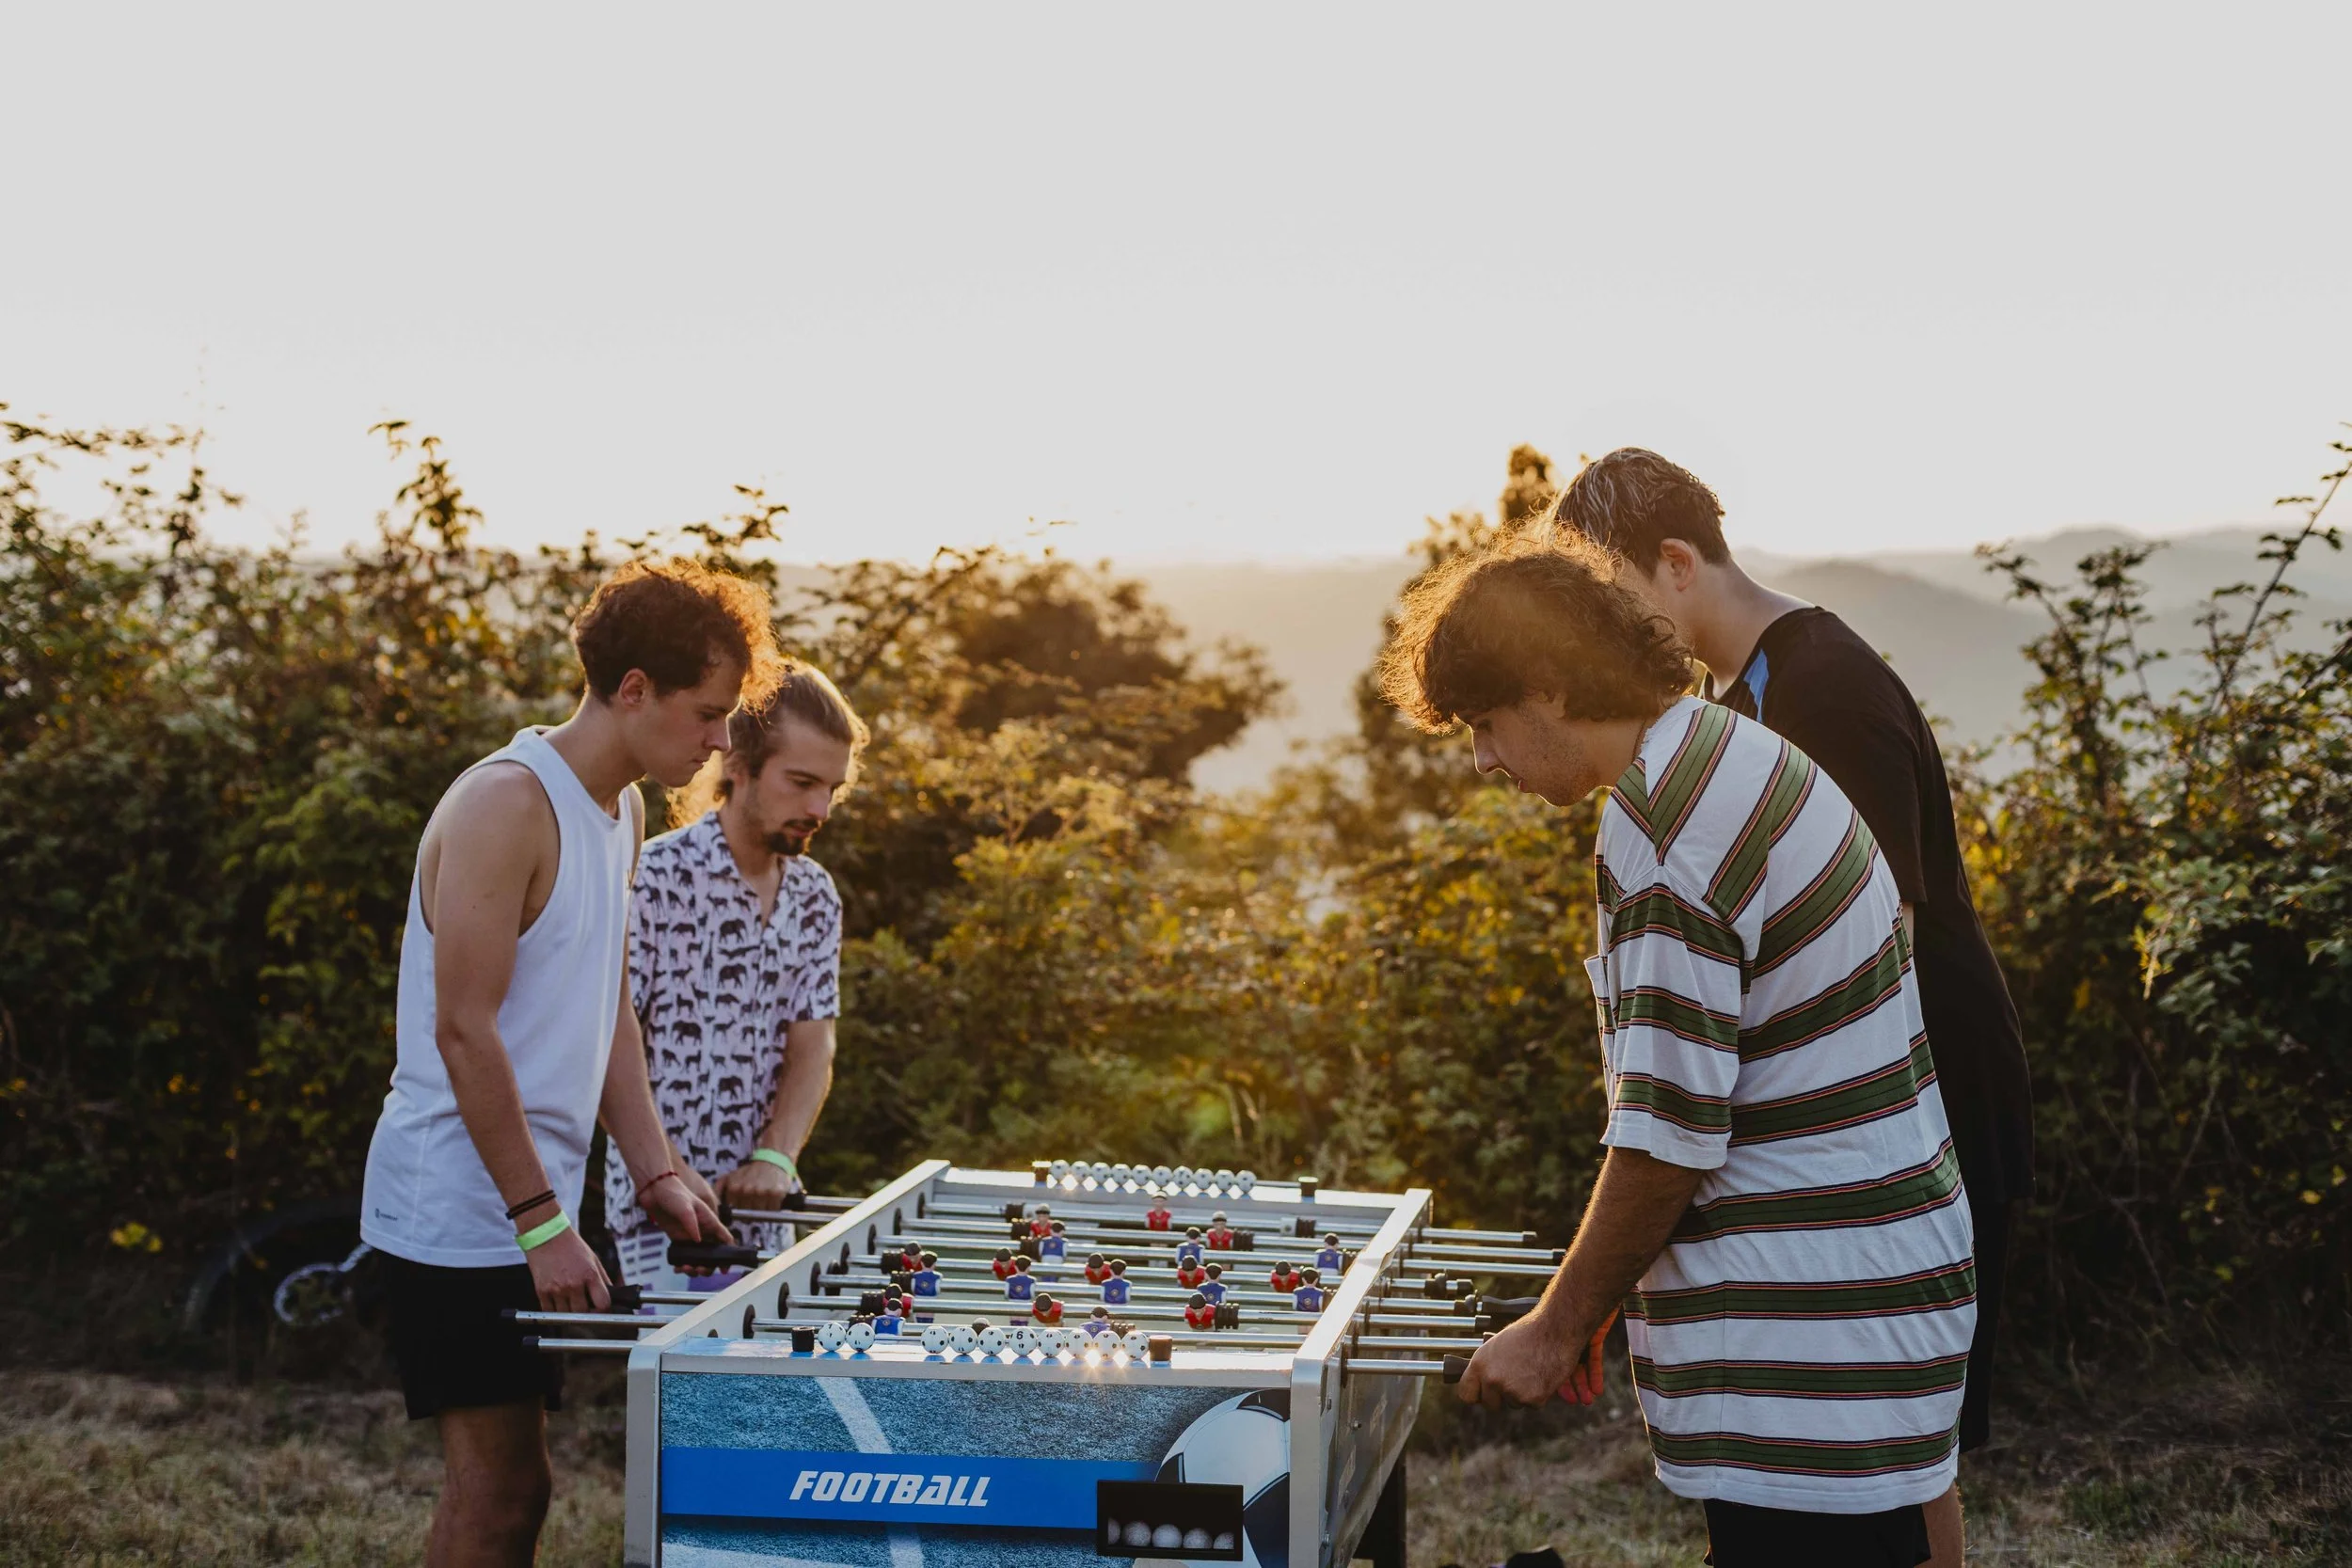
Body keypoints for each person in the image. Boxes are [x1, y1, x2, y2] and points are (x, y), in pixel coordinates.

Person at [1385, 532, 1976, 1568]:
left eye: (1486, 723)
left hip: (1807, 1340)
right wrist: (1616, 1283)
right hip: (1866, 1293)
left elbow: (1667, 1138)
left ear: (1552, 686)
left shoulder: (1662, 832)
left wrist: (1558, 1321)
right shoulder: (1724, 746)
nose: (1483, 759)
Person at [1552, 449, 2033, 1565]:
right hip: (1881, 1099)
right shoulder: (1736, 692)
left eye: (1603, 592)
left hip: (1925, 1084)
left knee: (1896, 1442)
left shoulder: (1818, 685)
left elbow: (1875, 952)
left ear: (1674, 563)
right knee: (1892, 1451)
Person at [360, 559, 778, 1567]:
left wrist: (656, 1172)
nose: (722, 742)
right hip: (457, 1207)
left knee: (518, 1489)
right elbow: (465, 1026)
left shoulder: (622, 809)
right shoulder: (507, 804)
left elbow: (606, 1011)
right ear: (632, 689)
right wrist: (541, 1218)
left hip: (520, 1203)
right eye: (707, 713)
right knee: (503, 1491)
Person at [604, 662, 867, 1290]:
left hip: (770, 1211)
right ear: (737, 765)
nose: (818, 807)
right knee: (680, 1389)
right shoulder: (652, 876)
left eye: (830, 788)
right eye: (801, 781)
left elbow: (813, 1045)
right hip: (660, 1215)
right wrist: (663, 1171)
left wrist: (776, 1158)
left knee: (766, 1390)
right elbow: (606, 1042)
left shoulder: (815, 895)